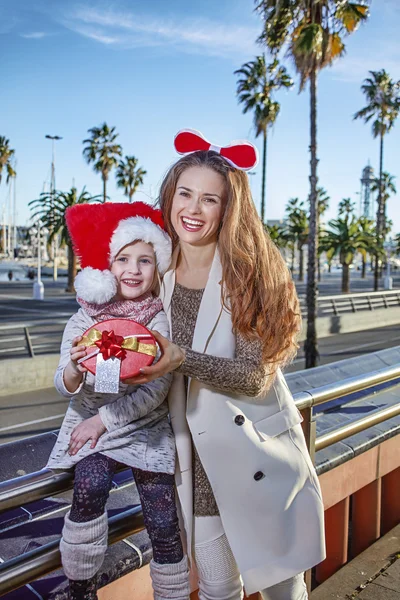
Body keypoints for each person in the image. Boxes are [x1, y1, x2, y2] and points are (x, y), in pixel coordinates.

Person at [127, 130, 326, 600]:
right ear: (170, 195)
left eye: (209, 199)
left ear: (229, 208)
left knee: (283, 589)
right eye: (185, 193)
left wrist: (181, 359)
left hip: (253, 450)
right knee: (218, 589)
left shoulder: (250, 274)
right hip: (192, 460)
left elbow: (254, 377)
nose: (192, 210)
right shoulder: (156, 268)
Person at [47, 202, 190, 600]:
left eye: (145, 260)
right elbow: (62, 382)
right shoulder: (83, 320)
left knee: (162, 519)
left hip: (145, 430)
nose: (133, 269)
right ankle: (81, 589)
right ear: (106, 266)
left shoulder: (157, 320)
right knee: (89, 483)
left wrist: (101, 421)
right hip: (95, 426)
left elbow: (155, 390)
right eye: (123, 258)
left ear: (157, 267)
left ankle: (173, 593)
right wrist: (75, 370)